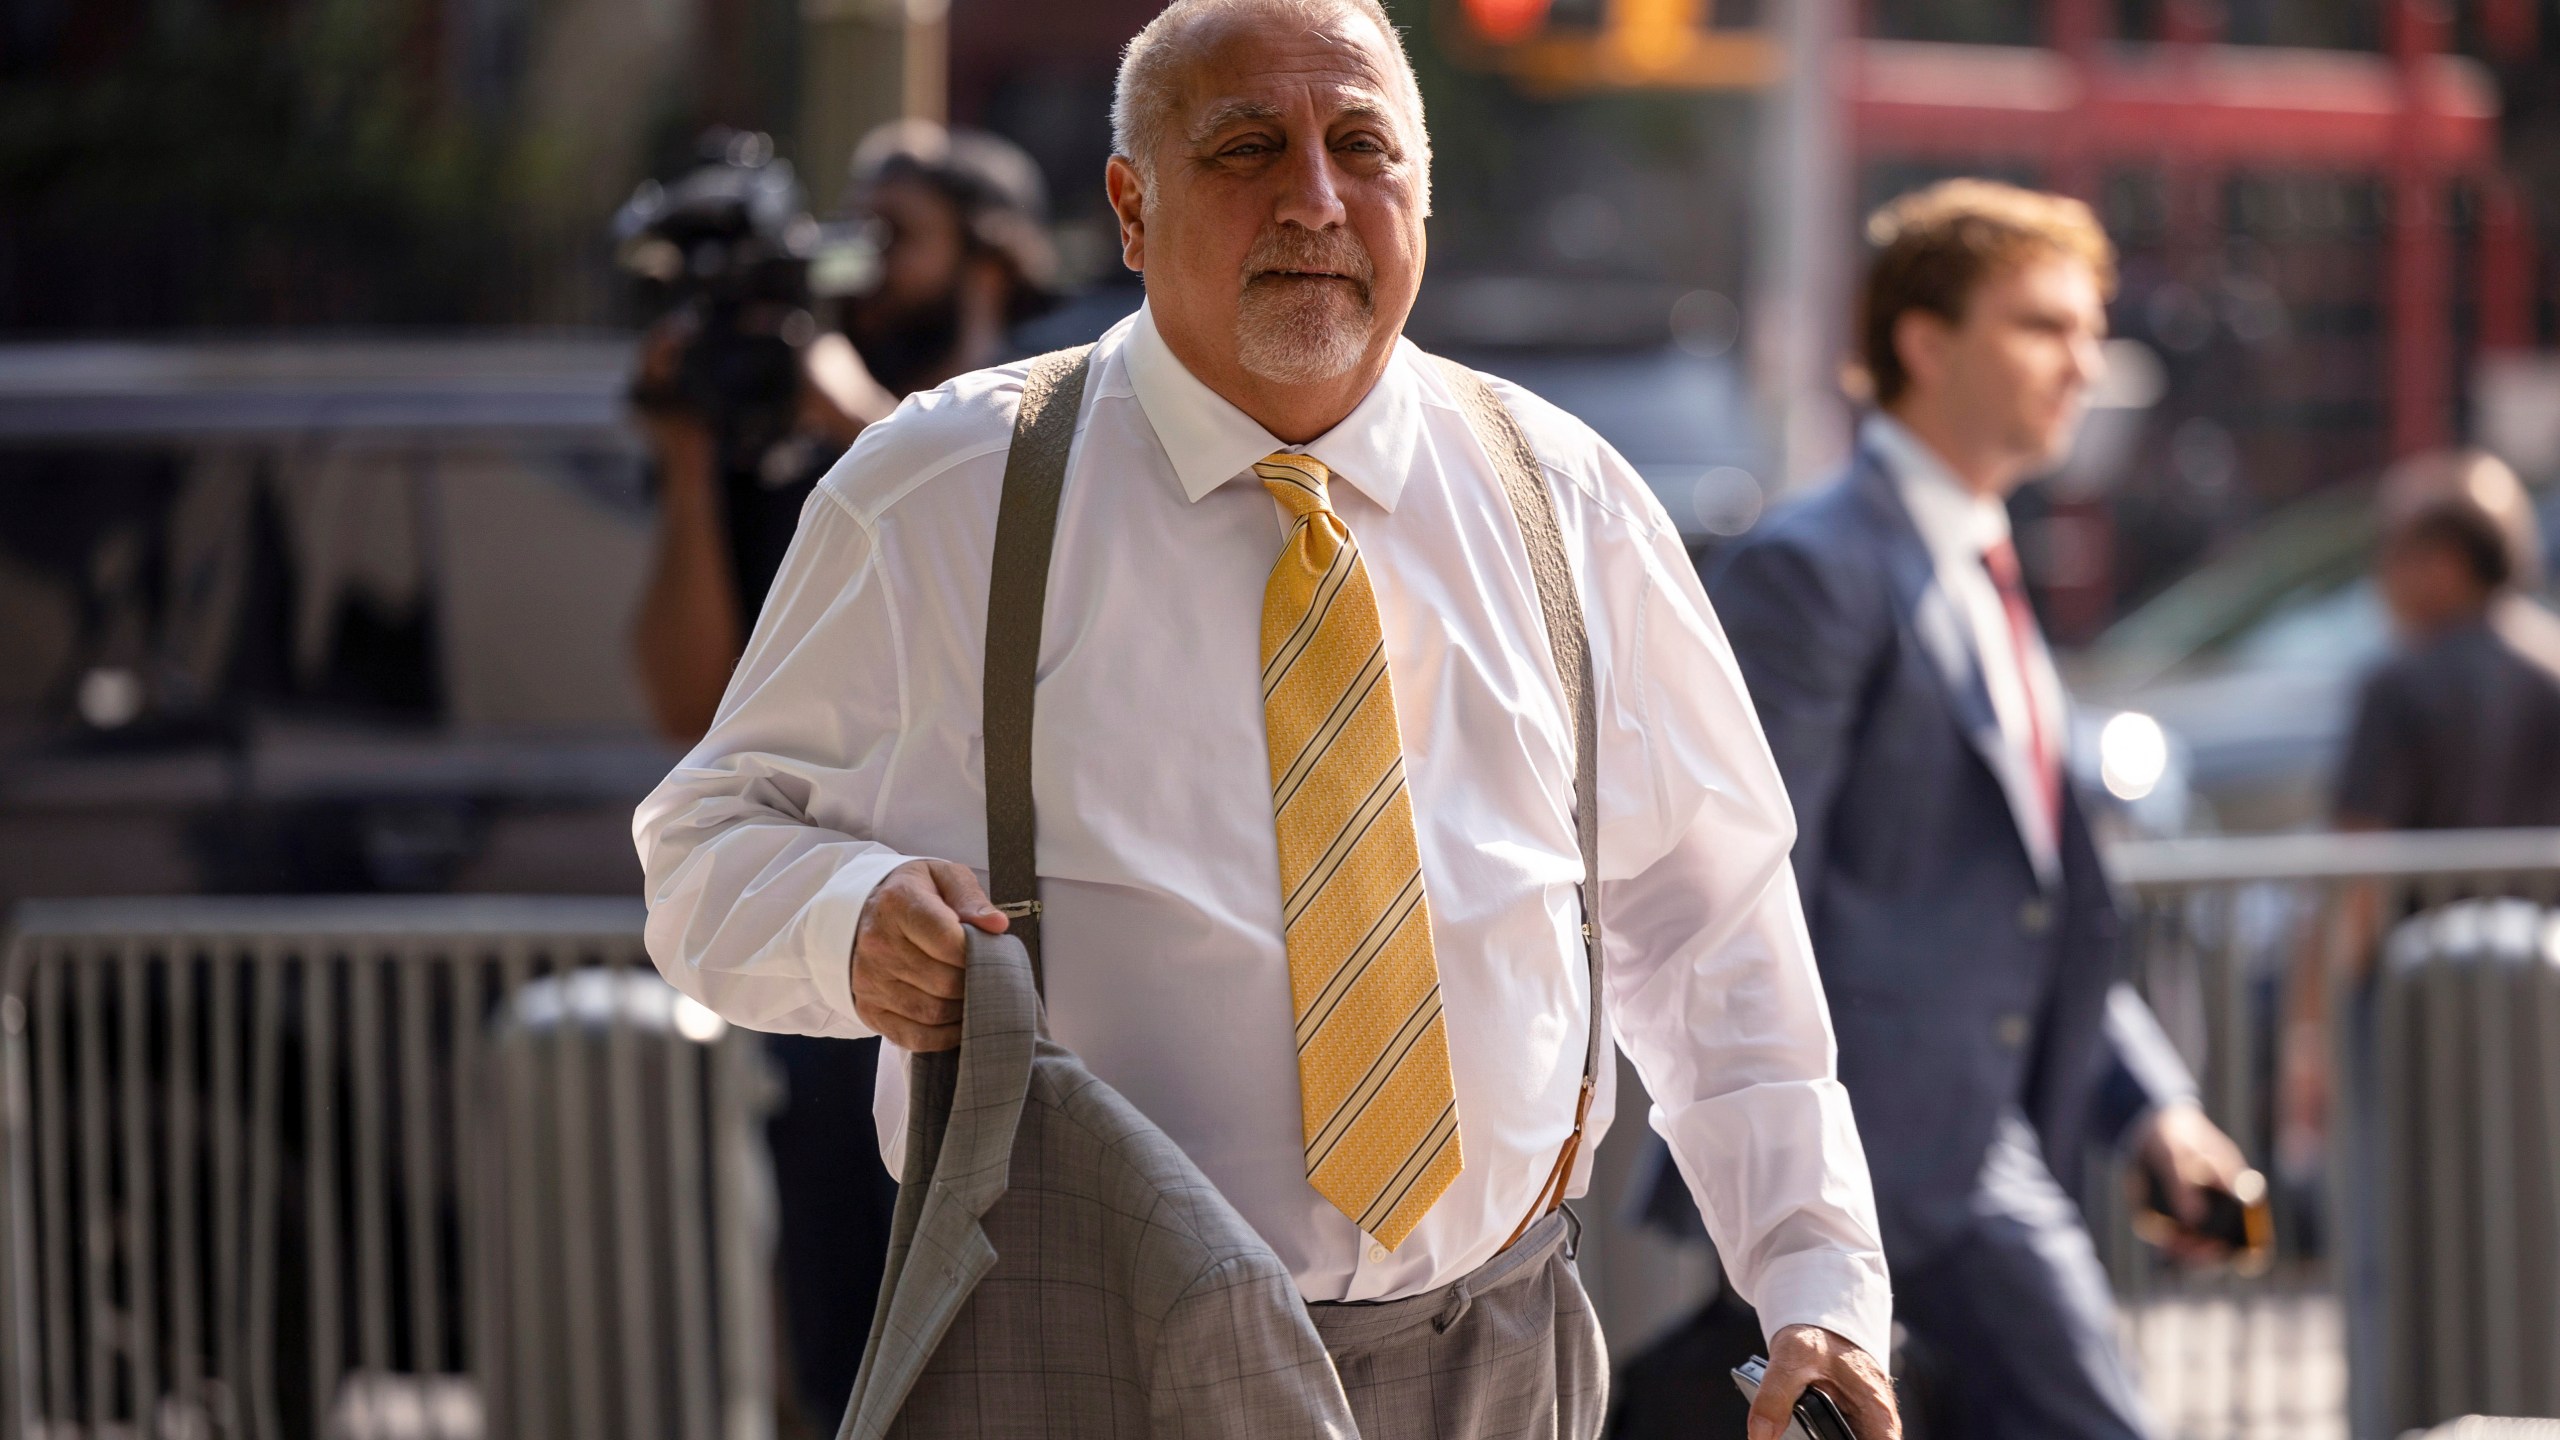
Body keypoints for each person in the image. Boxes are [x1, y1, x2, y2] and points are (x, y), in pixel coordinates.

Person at [634, 2, 1901, 1436]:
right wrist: (842, 922)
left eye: (1362, 145)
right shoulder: (938, 496)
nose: (1315, 198)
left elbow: (1709, 917)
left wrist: (1813, 1277)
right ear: (1131, 202)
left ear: (1425, 187)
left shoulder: (1571, 499)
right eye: (1247, 147)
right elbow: (699, 855)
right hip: (1102, 1362)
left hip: (1500, 1350)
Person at [1705, 180, 2248, 1440]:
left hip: (1990, 1149)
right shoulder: (1813, 566)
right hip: (1895, 1163)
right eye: (2042, 327)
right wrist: (1823, 1188)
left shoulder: (1989, 566)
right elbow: (1742, 892)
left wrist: (2151, 1107)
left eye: (2088, 328)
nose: (2085, 362)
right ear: (1923, 341)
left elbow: (2024, 903)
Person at [624, 121, 1059, 1437]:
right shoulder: (798, 443)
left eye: (897, 236)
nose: (856, 271)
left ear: (990, 261)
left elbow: (1023, 558)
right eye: (845, 232)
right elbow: (687, 704)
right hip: (839, 985)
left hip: (1028, 986)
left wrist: (854, 418)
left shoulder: (1072, 402)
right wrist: (696, 459)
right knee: (844, 1359)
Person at [2335, 449, 2560, 833]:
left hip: (2436, 898)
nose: (2384, 577)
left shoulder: (2398, 685)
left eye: (2398, 553)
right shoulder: (2551, 664)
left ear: (2446, 564)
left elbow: (2362, 863)